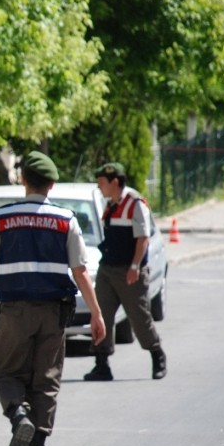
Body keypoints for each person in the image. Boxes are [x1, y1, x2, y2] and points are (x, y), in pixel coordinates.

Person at [0, 151, 105, 446]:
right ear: (52, 184)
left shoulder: (2, 217)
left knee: (6, 373)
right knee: (46, 381)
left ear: (23, 181)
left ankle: (19, 416)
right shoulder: (66, 219)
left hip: (16, 310)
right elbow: (81, 272)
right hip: (55, 311)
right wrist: (98, 316)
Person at [83, 162, 167, 382]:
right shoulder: (110, 203)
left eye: (102, 182)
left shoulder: (135, 203)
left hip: (129, 272)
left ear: (115, 182)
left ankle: (157, 354)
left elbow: (143, 238)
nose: (99, 186)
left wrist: (135, 267)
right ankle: (102, 364)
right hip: (108, 269)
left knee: (139, 317)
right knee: (101, 316)